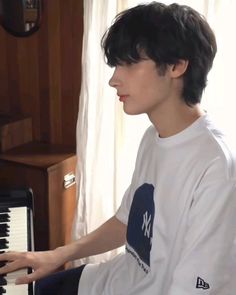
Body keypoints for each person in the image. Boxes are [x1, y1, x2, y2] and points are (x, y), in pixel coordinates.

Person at [1, 2, 236, 294]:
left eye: (130, 63)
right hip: (111, 281)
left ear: (177, 65)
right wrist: (56, 255)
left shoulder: (217, 167)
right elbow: (126, 221)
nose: (114, 79)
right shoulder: (154, 137)